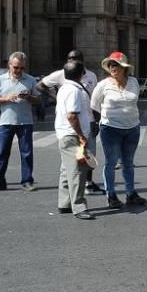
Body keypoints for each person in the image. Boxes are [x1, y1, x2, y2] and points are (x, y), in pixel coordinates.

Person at [37, 49, 104, 195]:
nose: (72, 61)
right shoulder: (61, 74)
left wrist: (97, 120)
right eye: (70, 58)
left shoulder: (91, 75)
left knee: (89, 154)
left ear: (82, 60)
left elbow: (94, 99)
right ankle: (75, 196)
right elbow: (40, 86)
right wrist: (55, 97)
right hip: (70, 124)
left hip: (89, 119)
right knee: (71, 159)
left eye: (76, 58)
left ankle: (88, 183)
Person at [91, 52, 144, 208]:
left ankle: (130, 193)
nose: (113, 67)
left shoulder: (133, 82)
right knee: (111, 162)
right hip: (110, 128)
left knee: (128, 163)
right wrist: (95, 125)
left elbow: (134, 102)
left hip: (132, 127)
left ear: (124, 68)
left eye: (116, 64)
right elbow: (94, 106)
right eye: (111, 65)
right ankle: (111, 195)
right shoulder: (103, 85)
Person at [0, 51, 40, 192]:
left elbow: (39, 100)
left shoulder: (30, 80)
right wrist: (6, 98)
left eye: (21, 68)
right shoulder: (0, 80)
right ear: (9, 65)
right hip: (6, 122)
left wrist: (29, 97)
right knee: (2, 153)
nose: (18, 71)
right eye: (16, 67)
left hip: (25, 122)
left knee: (27, 153)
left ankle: (27, 181)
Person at [55, 60, 94, 220]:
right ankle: (79, 206)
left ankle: (64, 203)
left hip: (64, 134)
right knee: (78, 170)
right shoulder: (74, 91)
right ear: (81, 74)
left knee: (66, 169)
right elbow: (72, 115)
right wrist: (81, 135)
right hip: (73, 135)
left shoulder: (64, 88)